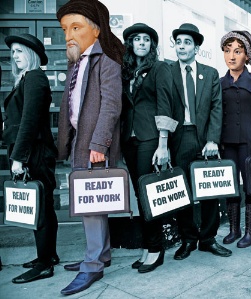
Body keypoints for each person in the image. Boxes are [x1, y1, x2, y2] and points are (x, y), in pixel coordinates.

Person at [56, 0, 125, 295]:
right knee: (93, 206)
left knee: (91, 207)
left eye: (76, 28)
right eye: (64, 29)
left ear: (95, 31)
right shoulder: (76, 62)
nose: (69, 35)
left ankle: (92, 265)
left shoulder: (106, 60)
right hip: (78, 142)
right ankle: (102, 254)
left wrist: (99, 143)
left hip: (93, 144)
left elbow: (111, 105)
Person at [169, 23, 232, 260]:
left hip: (206, 138)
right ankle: (188, 240)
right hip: (180, 137)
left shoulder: (211, 73)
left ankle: (207, 239)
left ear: (196, 48)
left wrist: (213, 139)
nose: (182, 46)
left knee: (210, 190)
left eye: (188, 43)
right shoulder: (168, 71)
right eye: (179, 42)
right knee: (182, 191)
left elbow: (217, 107)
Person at [121, 23, 177, 272]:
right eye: (137, 39)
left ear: (151, 45)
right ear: (131, 43)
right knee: (139, 196)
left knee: (148, 196)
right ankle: (147, 245)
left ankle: (156, 249)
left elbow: (165, 104)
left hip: (151, 138)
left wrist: (163, 143)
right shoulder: (127, 70)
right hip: (130, 140)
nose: (142, 43)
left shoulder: (160, 67)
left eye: (146, 39)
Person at [4, 33, 58, 284]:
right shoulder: (25, 79)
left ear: (32, 55)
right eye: (13, 52)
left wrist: (18, 158)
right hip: (31, 151)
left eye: (20, 51)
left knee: (41, 208)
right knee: (43, 205)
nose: (15, 56)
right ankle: (49, 256)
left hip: (33, 152)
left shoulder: (35, 77)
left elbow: (29, 122)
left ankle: (45, 264)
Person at [219, 30, 251, 248]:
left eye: (237, 51)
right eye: (227, 51)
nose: (231, 56)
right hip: (227, 142)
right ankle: (234, 230)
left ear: (247, 55)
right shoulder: (219, 83)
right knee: (231, 186)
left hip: (249, 142)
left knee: (250, 186)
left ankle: (250, 232)